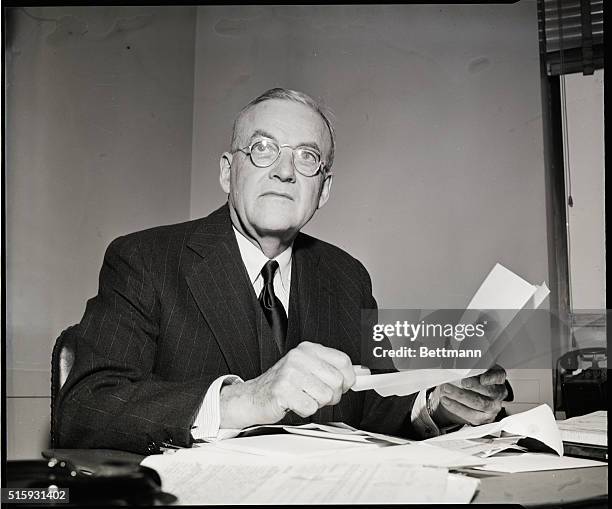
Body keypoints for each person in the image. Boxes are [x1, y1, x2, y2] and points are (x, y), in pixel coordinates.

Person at [56, 88, 508, 455]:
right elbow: (84, 409)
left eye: (307, 157)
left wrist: (436, 406)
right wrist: (246, 399)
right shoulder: (145, 258)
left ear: (323, 190)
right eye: (263, 149)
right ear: (227, 172)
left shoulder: (346, 276)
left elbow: (371, 402)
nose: (285, 171)